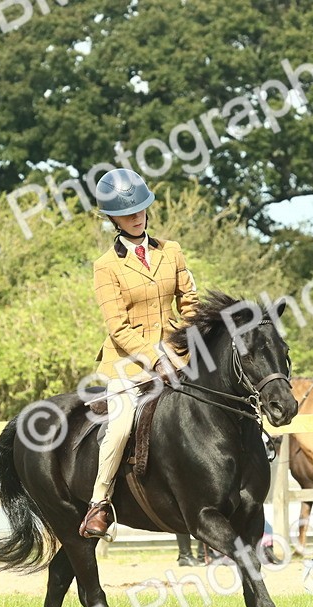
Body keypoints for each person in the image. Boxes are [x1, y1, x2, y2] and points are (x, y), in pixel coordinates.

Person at [79, 168, 199, 565]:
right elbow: (117, 327)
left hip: (177, 356)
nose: (137, 217)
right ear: (113, 219)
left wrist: (186, 344)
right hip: (127, 364)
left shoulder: (172, 251)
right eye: (127, 213)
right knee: (121, 424)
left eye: (141, 209)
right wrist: (155, 356)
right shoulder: (105, 267)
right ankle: (99, 503)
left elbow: (191, 303)